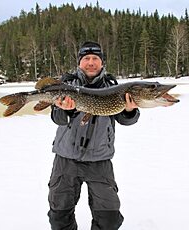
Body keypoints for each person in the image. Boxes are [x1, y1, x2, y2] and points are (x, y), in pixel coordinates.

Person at [48, 41, 140, 230]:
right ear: (79, 62)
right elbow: (57, 119)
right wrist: (64, 110)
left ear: (102, 63)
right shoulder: (66, 85)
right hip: (66, 160)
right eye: (87, 58)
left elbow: (126, 120)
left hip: (99, 160)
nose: (91, 62)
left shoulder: (114, 87)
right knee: (60, 214)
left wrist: (129, 110)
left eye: (95, 58)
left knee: (109, 218)